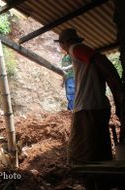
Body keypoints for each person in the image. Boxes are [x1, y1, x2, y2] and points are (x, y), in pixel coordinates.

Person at [55, 28, 123, 189]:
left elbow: (102, 61)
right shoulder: (79, 54)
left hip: (87, 108)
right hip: (97, 107)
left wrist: (119, 89)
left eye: (61, 44)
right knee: (98, 151)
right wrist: (117, 93)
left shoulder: (75, 48)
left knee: (80, 154)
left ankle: (93, 185)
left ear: (64, 43)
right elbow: (104, 67)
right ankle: (101, 184)